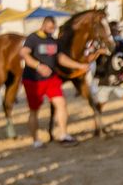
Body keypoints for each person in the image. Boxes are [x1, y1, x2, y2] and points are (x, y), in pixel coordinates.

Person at [20, 16, 85, 147]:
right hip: (33, 80)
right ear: (43, 25)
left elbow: (60, 58)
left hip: (51, 79)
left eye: (53, 28)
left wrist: (79, 66)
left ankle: (63, 134)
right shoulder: (33, 38)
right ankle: (36, 140)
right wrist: (38, 66)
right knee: (34, 110)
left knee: (61, 103)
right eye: (49, 28)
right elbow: (24, 53)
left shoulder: (53, 41)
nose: (51, 30)